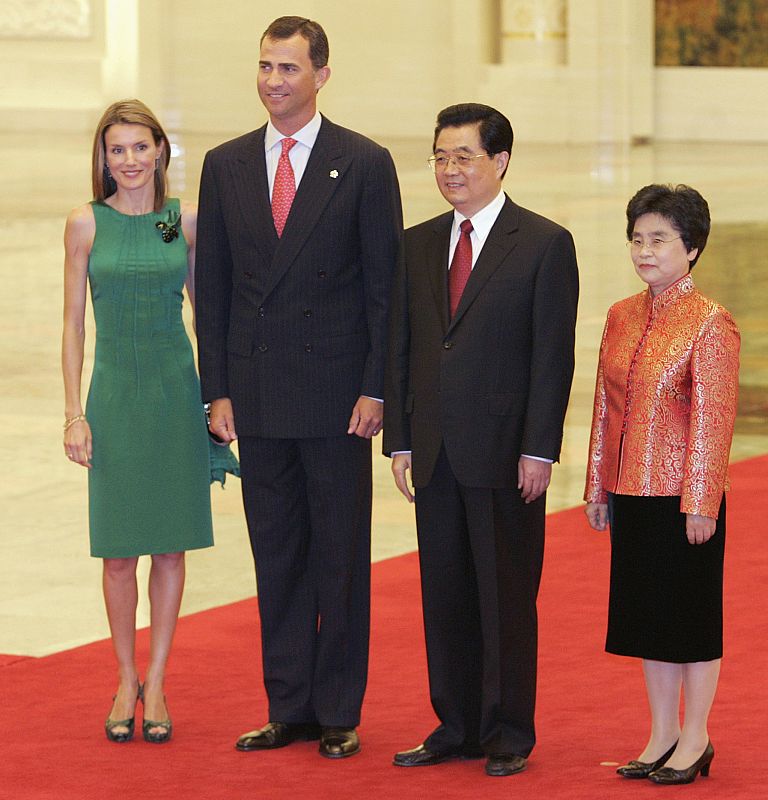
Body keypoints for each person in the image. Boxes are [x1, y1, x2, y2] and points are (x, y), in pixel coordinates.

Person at [195, 16, 402, 759]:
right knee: (276, 553)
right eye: (265, 67)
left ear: (321, 74)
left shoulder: (365, 162)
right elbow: (212, 287)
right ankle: (290, 705)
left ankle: (339, 708)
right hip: (257, 395)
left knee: (340, 556)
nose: (274, 81)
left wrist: (378, 386)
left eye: (288, 68)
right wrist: (214, 389)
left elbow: (386, 289)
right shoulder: (226, 164)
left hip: (338, 398)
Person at [384, 103, 579, 777]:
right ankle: (456, 723)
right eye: (440, 157)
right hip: (434, 449)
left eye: (463, 157)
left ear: (500, 162)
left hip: (505, 453)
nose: (449, 170)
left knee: (504, 596)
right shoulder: (416, 242)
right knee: (445, 593)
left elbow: (552, 357)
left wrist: (540, 448)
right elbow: (404, 348)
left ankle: (506, 731)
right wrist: (401, 440)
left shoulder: (544, 243)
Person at [62, 99, 215, 744]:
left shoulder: (182, 223)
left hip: (176, 395)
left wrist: (219, 400)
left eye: (139, 147)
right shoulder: (84, 224)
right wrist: (73, 412)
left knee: (170, 545)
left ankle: (158, 677)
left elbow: (208, 315)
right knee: (120, 549)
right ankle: (126, 676)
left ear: (160, 151)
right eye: (116, 149)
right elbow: (71, 323)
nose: (128, 160)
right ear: (104, 157)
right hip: (115, 398)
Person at [584, 184, 740, 785]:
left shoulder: (710, 322)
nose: (644, 251)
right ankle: (661, 733)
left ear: (692, 249)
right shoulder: (622, 315)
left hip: (685, 499)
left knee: (690, 619)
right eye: (637, 239)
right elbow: (606, 407)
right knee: (648, 616)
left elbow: (714, 417)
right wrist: (599, 486)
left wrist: (703, 501)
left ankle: (696, 736)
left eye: (660, 240)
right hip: (633, 491)